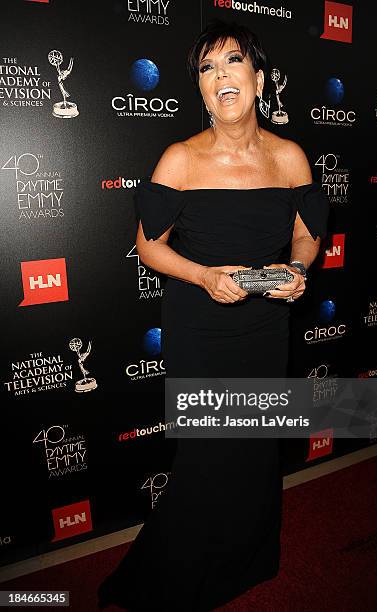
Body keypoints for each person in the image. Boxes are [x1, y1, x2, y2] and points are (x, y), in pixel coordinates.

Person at [98, 18, 329, 612]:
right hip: (200, 327)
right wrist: (204, 276)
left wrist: (297, 272)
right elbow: (149, 246)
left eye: (232, 63)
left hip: (264, 326)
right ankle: (174, 578)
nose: (220, 76)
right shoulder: (179, 158)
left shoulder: (291, 157)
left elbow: (306, 237)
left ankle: (247, 561)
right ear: (200, 89)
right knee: (206, 453)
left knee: (253, 451)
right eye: (207, 68)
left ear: (259, 78)